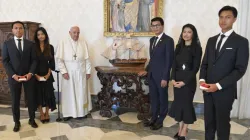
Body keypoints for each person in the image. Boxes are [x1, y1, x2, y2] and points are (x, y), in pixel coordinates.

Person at [199, 6, 249, 140]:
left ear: (234, 19)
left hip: (225, 91)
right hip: (208, 90)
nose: (223, 20)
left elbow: (240, 69)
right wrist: (202, 81)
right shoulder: (211, 40)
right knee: (208, 123)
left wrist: (219, 85)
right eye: (221, 17)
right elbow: (204, 64)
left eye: (228, 17)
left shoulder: (241, 42)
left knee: (222, 125)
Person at [138, 17, 174, 130]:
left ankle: (160, 120)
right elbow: (152, 59)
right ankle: (153, 118)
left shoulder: (168, 40)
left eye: (157, 25)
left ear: (162, 26)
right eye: (153, 25)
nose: (155, 27)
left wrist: (165, 77)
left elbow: (169, 61)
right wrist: (147, 70)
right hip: (152, 75)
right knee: (153, 98)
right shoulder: (152, 40)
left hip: (161, 76)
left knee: (162, 98)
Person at [2, 21, 38, 132]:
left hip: (28, 77)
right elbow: (5, 61)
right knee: (15, 101)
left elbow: (34, 60)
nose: (18, 30)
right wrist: (13, 75)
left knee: (31, 99)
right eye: (16, 28)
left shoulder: (30, 44)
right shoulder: (7, 44)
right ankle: (16, 122)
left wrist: (30, 73)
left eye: (20, 28)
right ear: (12, 30)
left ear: (23, 30)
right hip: (14, 77)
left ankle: (32, 120)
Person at [169, 24, 202, 140]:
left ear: (193, 34)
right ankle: (180, 128)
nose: (186, 34)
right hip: (176, 80)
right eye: (184, 32)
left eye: (189, 32)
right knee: (179, 105)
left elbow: (195, 68)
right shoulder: (178, 46)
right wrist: (172, 79)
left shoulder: (197, 48)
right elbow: (173, 64)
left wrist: (184, 82)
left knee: (186, 105)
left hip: (188, 82)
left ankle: (184, 130)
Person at [55, 26, 92, 121]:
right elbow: (59, 60)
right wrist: (64, 72)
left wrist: (88, 71)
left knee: (81, 93)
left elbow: (87, 59)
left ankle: (81, 113)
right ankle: (68, 113)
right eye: (74, 32)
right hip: (69, 72)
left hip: (81, 72)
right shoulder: (63, 42)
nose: (76, 35)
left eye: (78, 33)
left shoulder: (83, 43)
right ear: (69, 32)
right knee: (69, 94)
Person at [34, 27, 57, 123]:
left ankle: (47, 113)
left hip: (47, 74)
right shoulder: (33, 47)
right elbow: (32, 62)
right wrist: (36, 75)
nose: (40, 36)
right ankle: (41, 113)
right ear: (36, 36)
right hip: (36, 74)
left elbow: (52, 62)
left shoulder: (50, 47)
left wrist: (48, 74)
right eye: (38, 34)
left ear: (45, 35)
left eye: (42, 34)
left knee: (48, 94)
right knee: (38, 94)